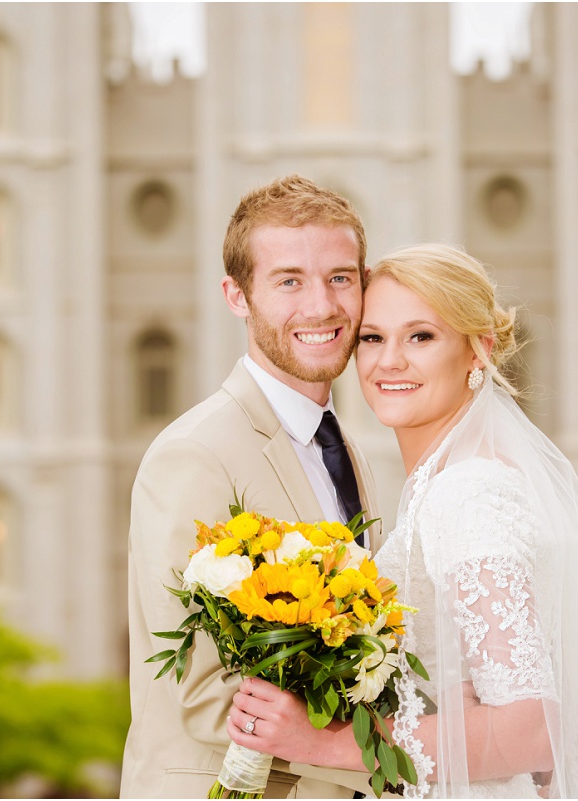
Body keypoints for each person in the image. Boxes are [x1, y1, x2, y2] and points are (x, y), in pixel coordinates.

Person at [225, 244, 578, 798]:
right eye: (373, 338)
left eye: (421, 336)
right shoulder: (452, 482)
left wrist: (323, 743)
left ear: (477, 352)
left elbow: (532, 728)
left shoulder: (468, 494)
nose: (390, 360)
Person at [119, 175, 381, 798]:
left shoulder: (344, 448)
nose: (321, 306)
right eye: (289, 281)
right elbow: (199, 691)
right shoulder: (194, 455)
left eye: (340, 277)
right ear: (237, 296)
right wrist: (393, 762)